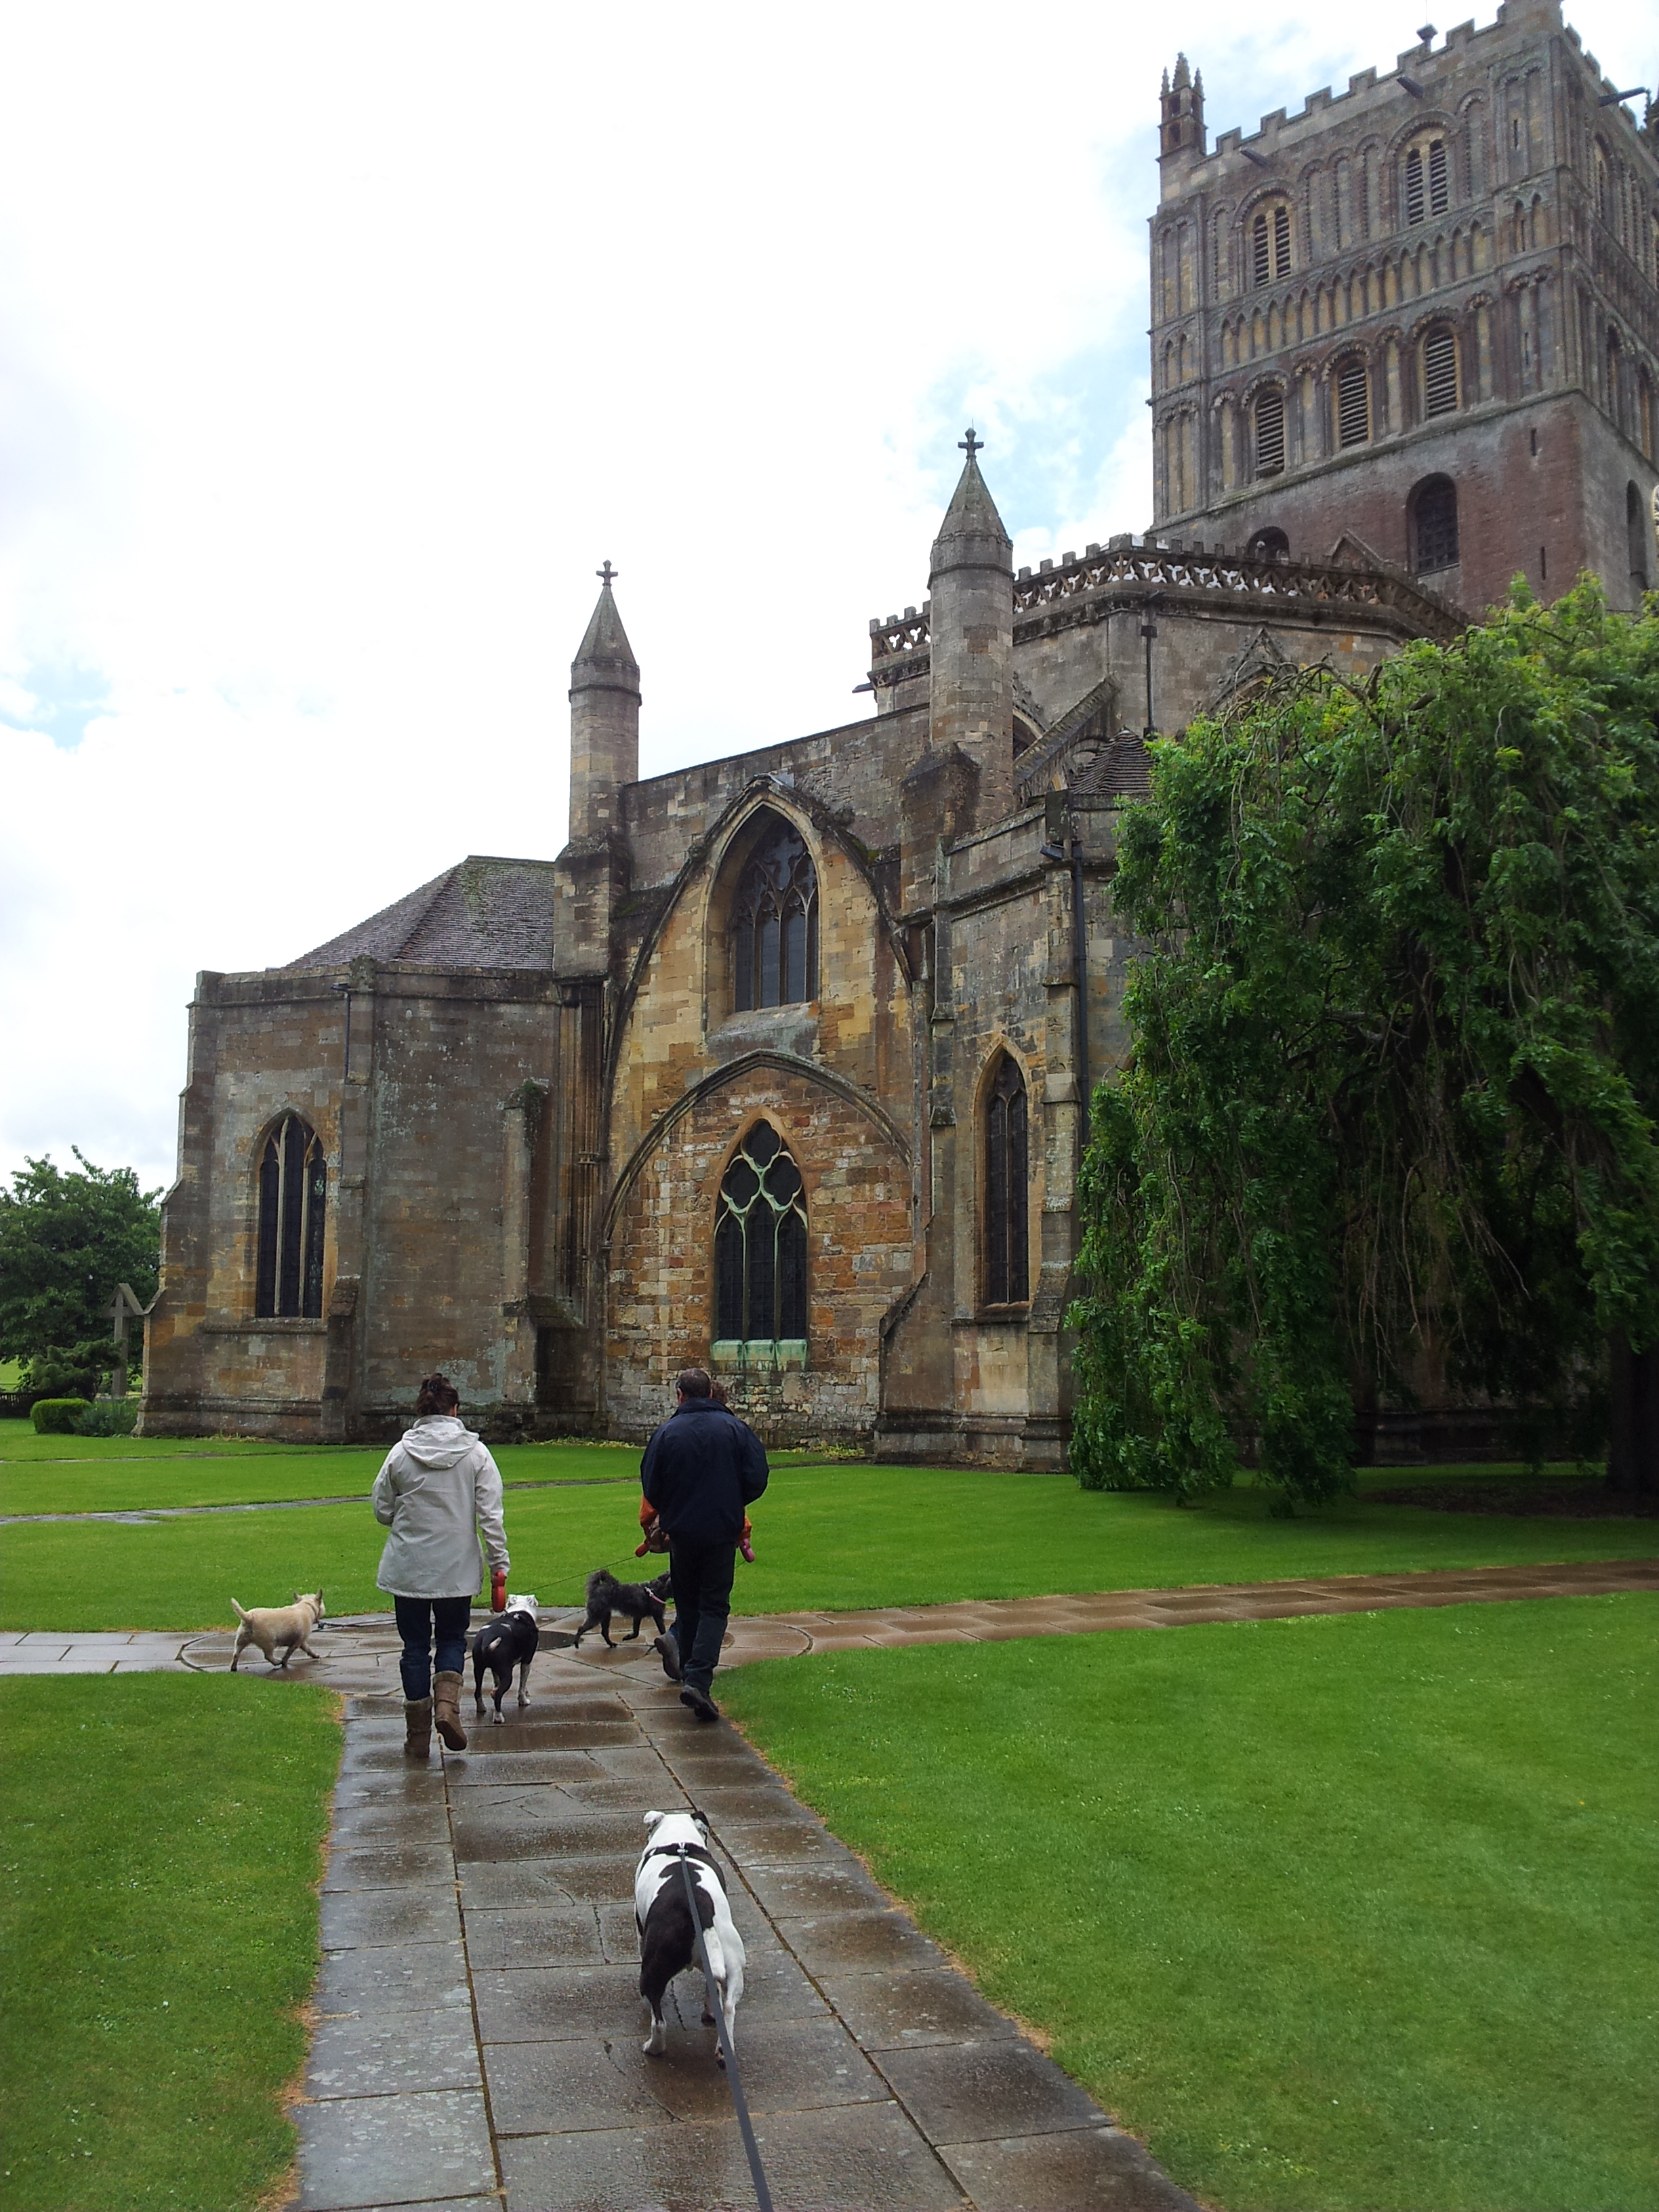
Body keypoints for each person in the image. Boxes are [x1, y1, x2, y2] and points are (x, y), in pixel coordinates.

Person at [373, 1372, 510, 1759]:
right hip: (456, 1567)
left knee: (414, 1647)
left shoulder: (400, 1453)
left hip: (410, 1566)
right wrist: (499, 1564)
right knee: (451, 1639)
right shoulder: (476, 1454)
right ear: (455, 1410)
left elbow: (382, 1509)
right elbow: (491, 1517)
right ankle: (447, 1709)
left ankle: (417, 1735)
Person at [640, 1366, 768, 1721]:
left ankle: (691, 1674)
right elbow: (758, 1477)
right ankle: (698, 1678)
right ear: (710, 1393)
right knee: (714, 1606)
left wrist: (675, 1507)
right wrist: (731, 1500)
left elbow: (651, 1485)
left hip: (682, 1534)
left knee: (690, 1604)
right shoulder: (735, 1429)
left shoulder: (666, 1433)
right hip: (720, 1533)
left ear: (680, 1394)